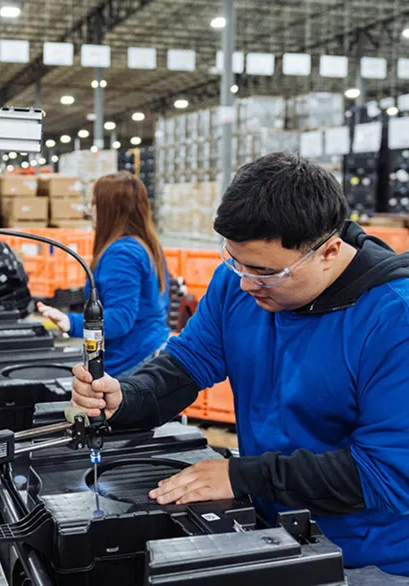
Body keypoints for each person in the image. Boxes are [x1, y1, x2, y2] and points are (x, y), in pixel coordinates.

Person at [70, 152, 409, 575]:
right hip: (269, 528)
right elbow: (189, 361)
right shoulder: (239, 282)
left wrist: (243, 476)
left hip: (368, 558)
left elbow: (387, 474)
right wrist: (127, 395)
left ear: (329, 252)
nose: (246, 283)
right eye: (235, 262)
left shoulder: (394, 319)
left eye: (265, 273)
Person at [38, 171, 170, 378]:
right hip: (148, 347)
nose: (90, 211)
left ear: (109, 210)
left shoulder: (121, 254)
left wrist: (70, 322)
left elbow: (121, 318)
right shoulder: (145, 244)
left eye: (94, 203)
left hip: (130, 360)